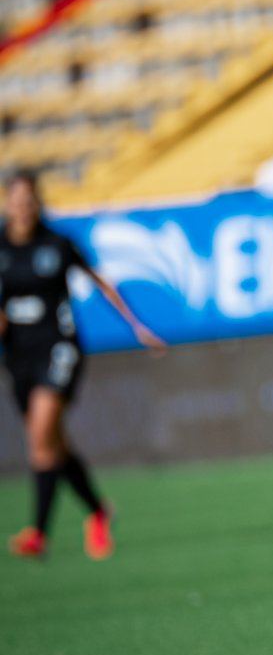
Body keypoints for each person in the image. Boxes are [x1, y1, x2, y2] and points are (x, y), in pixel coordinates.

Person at [0, 169, 165, 559]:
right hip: (19, 356)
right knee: (51, 445)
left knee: (41, 437)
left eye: (29, 201)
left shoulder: (57, 243)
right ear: (8, 204)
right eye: (16, 201)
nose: (23, 208)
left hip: (60, 347)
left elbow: (100, 281)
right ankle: (97, 510)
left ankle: (38, 533)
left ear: (37, 202)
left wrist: (137, 326)